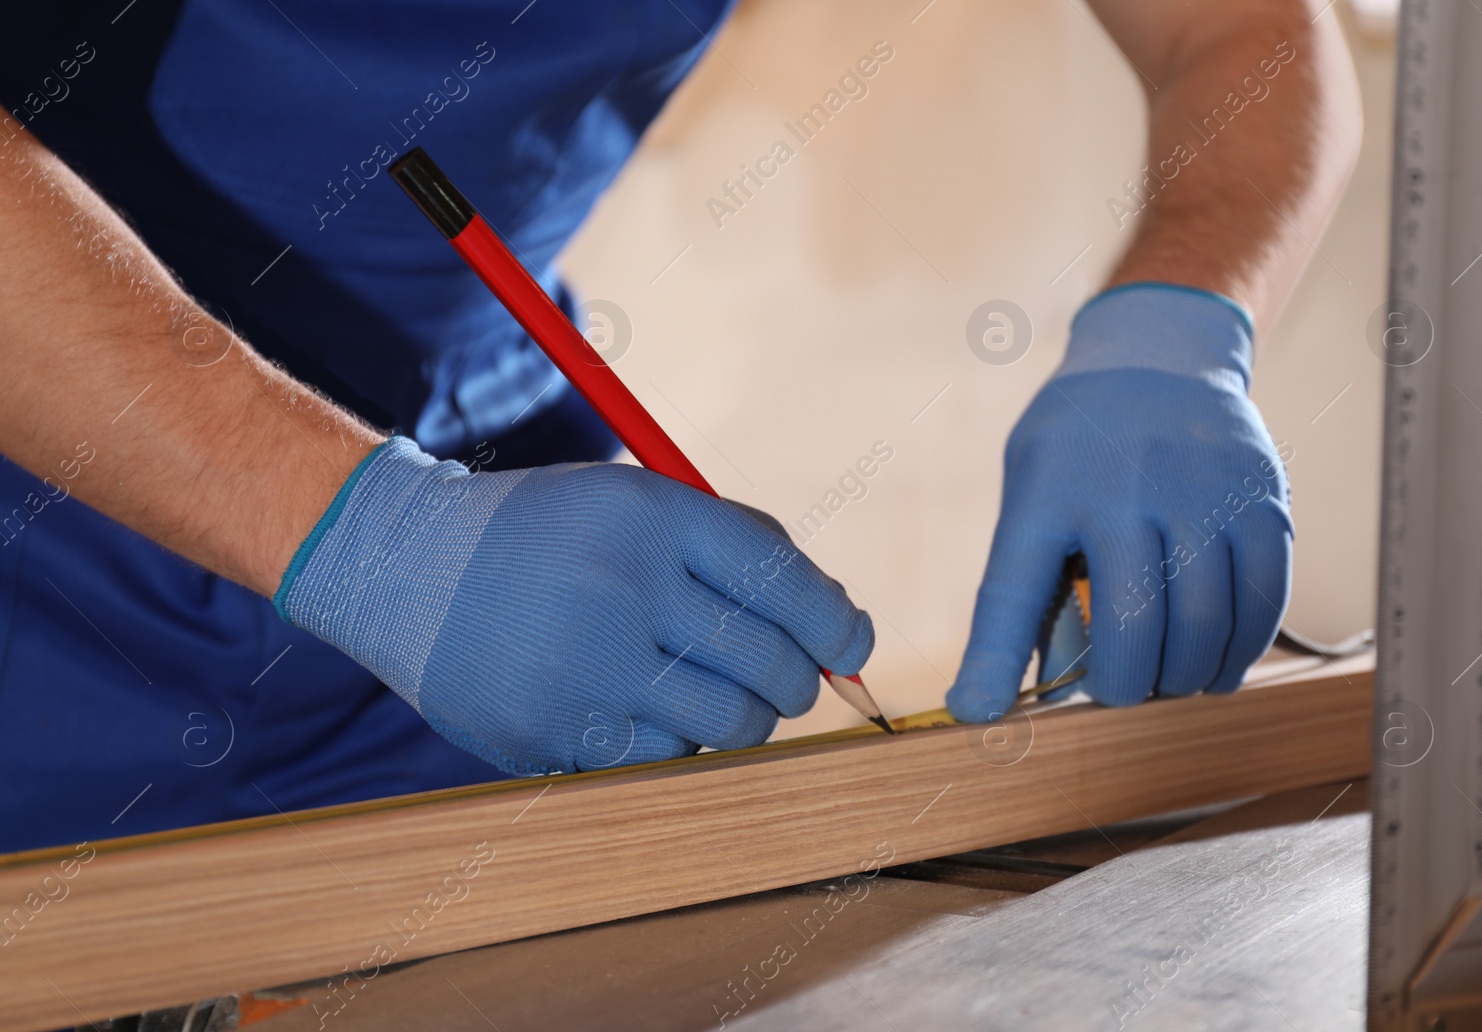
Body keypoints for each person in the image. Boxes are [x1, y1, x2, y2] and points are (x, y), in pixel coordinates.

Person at [0, 0, 1359, 858]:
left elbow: (1239, 32)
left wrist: (1182, 331)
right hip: (50, 536)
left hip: (508, 519)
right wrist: (365, 541)